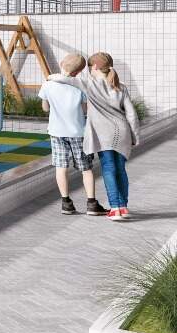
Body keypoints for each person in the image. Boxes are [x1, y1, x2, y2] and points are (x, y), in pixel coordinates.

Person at [50, 52, 141, 221]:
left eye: (90, 67)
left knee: (109, 169)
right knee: (120, 169)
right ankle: (123, 206)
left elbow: (65, 79)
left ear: (96, 67)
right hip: (123, 133)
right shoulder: (120, 86)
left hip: (104, 136)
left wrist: (51, 76)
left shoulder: (89, 84)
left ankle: (115, 208)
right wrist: (135, 136)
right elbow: (131, 115)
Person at [38, 53, 107, 216]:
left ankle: (66, 203)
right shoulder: (80, 86)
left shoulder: (47, 84)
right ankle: (91, 204)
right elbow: (85, 109)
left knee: (61, 167)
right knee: (86, 168)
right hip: (78, 133)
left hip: (56, 133)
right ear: (78, 72)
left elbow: (45, 108)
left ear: (62, 63)